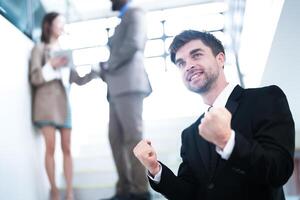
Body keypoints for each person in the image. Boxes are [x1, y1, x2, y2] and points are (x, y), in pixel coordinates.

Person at [133, 30, 295, 200]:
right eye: (181, 63)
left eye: (196, 55)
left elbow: (279, 170)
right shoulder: (190, 134)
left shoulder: (265, 99)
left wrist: (228, 141)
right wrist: (155, 169)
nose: (188, 66)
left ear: (220, 59)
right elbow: (189, 195)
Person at [29, 12, 96, 200]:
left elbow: (77, 79)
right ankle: (55, 192)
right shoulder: (39, 48)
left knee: (67, 148)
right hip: (46, 104)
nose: (62, 26)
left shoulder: (66, 51)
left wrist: (94, 72)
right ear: (48, 25)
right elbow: (35, 77)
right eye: (59, 22)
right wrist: (51, 65)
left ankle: (69, 193)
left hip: (64, 103)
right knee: (50, 148)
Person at [99, 0, 152, 200]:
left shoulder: (136, 13)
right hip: (115, 88)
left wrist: (109, 65)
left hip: (129, 85)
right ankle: (124, 188)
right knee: (115, 138)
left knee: (133, 138)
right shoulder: (122, 19)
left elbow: (133, 43)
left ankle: (141, 190)